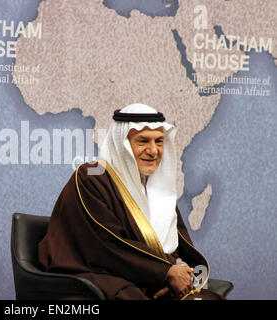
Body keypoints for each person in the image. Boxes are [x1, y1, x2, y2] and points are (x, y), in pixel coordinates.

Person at [38, 103, 221, 300]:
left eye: (159, 142)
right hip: (103, 276)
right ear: (121, 144)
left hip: (151, 277)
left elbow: (177, 246)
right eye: (143, 141)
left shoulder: (154, 189)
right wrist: (165, 272)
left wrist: (180, 273)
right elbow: (105, 245)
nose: (153, 151)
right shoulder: (91, 177)